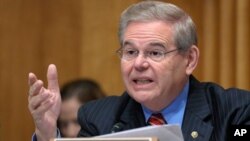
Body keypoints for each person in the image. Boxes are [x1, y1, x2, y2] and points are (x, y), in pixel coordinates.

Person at [28, 1, 250, 141]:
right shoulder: (99, 118)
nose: (139, 64)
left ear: (189, 59)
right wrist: (48, 136)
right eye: (131, 52)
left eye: (155, 53)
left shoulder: (236, 112)